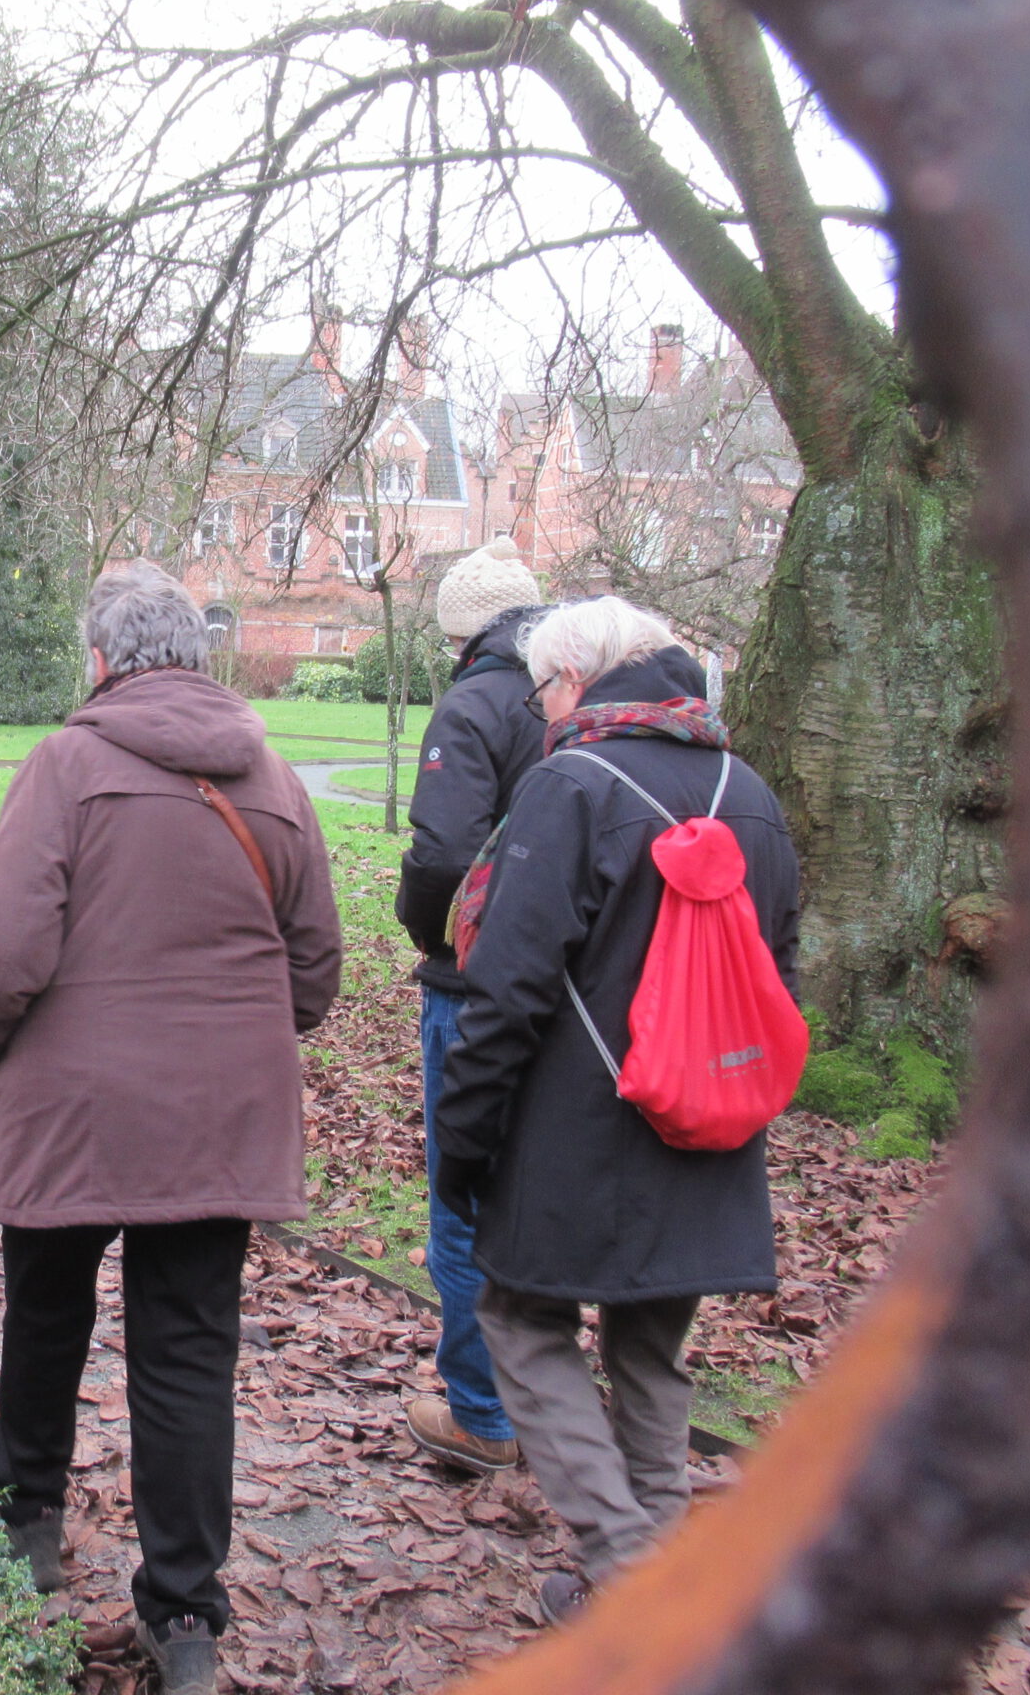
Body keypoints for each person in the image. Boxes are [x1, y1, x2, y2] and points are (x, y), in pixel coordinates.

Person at [0, 562, 341, 1695]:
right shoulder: (270, 778)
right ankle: (184, 1616)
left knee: (45, 1314)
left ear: (101, 658)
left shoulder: (68, 764)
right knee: (187, 1359)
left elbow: (2, 947)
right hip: (218, 1120)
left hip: (74, 1106)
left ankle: (27, 1520)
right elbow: (314, 966)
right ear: (199, 654)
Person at [432, 596, 800, 1624]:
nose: (540, 709)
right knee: (649, 1350)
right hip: (707, 1130)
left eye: (546, 687)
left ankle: (629, 1571)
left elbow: (503, 995)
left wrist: (461, 1143)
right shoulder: (752, 792)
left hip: (578, 1140)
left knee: (520, 1321)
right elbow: (781, 978)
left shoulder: (573, 787)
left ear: (582, 680)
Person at [392, 538, 544, 1478]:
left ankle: (481, 1411)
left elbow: (443, 853)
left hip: (475, 984)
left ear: (461, 632)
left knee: (463, 1194)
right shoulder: (573, 695)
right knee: (535, 1195)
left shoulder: (475, 703)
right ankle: (538, 1397)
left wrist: (428, 933)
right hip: (565, 987)